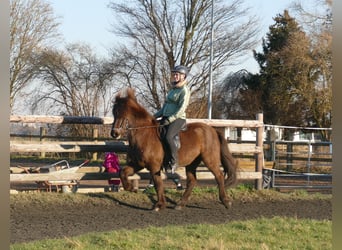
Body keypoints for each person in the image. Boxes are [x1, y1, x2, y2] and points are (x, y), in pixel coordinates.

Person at [154, 65, 191, 174]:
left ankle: (174, 161)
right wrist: (153, 117)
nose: (174, 76)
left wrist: (170, 119)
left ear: (183, 76)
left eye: (177, 74)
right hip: (166, 117)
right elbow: (164, 108)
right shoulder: (172, 90)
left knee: (168, 136)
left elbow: (182, 109)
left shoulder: (184, 90)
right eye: (173, 74)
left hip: (178, 119)